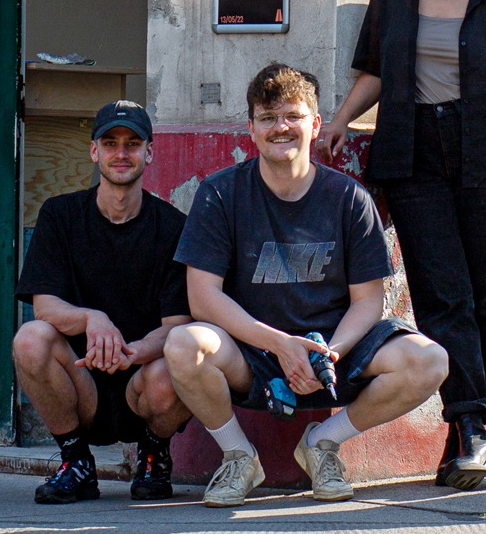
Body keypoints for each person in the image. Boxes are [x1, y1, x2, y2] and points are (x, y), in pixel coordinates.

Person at [318, 0, 486, 490]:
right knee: (445, 295)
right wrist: (339, 120)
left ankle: (462, 439)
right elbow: (375, 70)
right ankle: (474, 425)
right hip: (413, 154)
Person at [165, 63, 448, 507]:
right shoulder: (220, 194)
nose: (281, 128)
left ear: (315, 125)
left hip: (332, 354)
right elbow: (202, 298)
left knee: (430, 360)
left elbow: (368, 301)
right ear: (251, 129)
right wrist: (279, 344)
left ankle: (323, 443)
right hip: (251, 352)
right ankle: (239, 456)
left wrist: (328, 355)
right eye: (268, 117)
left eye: (293, 116)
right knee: (183, 344)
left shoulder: (349, 198)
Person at [13, 100, 191, 504]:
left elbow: (177, 322)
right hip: (81, 381)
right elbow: (45, 307)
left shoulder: (174, 227)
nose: (121, 153)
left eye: (132, 143)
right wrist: (93, 320)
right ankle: (76, 461)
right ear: (94, 152)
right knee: (30, 339)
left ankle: (153, 453)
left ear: (150, 151)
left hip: (144, 383)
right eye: (110, 143)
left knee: (186, 353)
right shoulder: (60, 215)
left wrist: (134, 352)